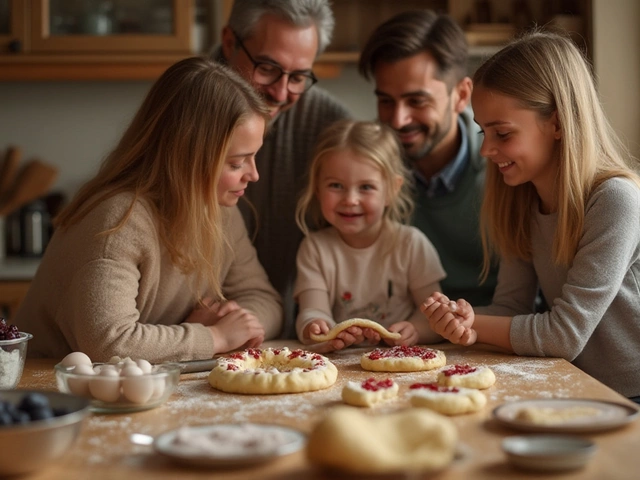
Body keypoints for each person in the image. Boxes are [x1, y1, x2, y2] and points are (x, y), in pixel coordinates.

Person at [14, 57, 283, 363]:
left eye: (253, 157)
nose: (253, 174)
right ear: (187, 157)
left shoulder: (219, 210)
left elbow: (265, 300)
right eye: (236, 162)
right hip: (49, 393)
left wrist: (235, 320)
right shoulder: (117, 220)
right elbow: (109, 343)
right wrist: (215, 336)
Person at [421, 31, 640, 403]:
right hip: (575, 386)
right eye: (483, 132)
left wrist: (473, 325)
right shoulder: (521, 199)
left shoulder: (615, 200)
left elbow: (564, 336)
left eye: (502, 133)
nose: (487, 149)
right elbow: (511, 307)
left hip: (630, 395)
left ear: (556, 123)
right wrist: (458, 316)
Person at [210, 0, 351, 338]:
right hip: (186, 337)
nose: (281, 92)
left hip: (293, 337)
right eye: (267, 68)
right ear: (230, 42)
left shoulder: (331, 125)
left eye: (299, 76)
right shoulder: (183, 105)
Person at [358, 10, 498, 307]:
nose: (397, 120)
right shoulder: (366, 172)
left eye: (417, 101)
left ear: (461, 95)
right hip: (400, 333)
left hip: (494, 336)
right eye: (385, 101)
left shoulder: (503, 167)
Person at [294, 120, 445, 352]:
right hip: (342, 365)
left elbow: (435, 314)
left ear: (392, 190)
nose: (350, 199)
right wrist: (317, 328)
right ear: (317, 188)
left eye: (366, 187)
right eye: (336, 185)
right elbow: (312, 310)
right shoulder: (315, 248)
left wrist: (415, 330)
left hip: (402, 360)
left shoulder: (411, 244)